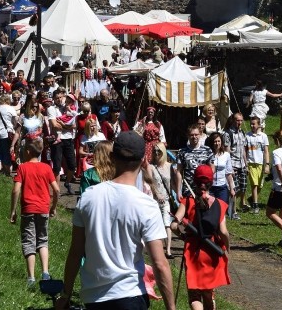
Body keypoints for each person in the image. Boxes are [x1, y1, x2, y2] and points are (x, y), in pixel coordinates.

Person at [57, 131, 176, 309]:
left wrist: (66, 294)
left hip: (94, 298)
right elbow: (160, 263)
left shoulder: (88, 197)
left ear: (112, 157)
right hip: (130, 295)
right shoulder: (147, 205)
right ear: (144, 159)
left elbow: (76, 251)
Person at [171, 164, 231, 310]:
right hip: (212, 250)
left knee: (194, 296)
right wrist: (227, 247)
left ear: (194, 180)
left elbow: (173, 225)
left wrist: (183, 236)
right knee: (208, 293)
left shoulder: (187, 201)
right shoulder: (220, 204)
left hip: (193, 252)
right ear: (211, 182)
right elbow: (223, 232)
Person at [10, 138, 58, 289]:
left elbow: (16, 189)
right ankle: (45, 273)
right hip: (43, 209)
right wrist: (54, 207)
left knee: (29, 242)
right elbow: (56, 189)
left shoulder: (23, 168)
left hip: (28, 210)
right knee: (43, 240)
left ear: (28, 151)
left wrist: (13, 210)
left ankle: (31, 278)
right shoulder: (46, 168)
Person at [149, 142, 174, 259]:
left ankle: (168, 249)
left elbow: (173, 183)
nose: (157, 153)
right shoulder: (151, 166)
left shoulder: (170, 166)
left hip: (167, 199)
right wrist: (156, 193)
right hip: (154, 200)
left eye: (159, 151)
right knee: (155, 225)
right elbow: (149, 182)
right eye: (154, 151)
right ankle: (157, 250)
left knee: (166, 224)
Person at [177, 124, 213, 200]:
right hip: (188, 189)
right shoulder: (182, 152)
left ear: (200, 135)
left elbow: (212, 169)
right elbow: (179, 172)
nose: (194, 137)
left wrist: (207, 186)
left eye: (196, 134)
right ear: (188, 136)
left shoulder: (207, 150)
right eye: (191, 135)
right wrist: (178, 191)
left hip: (203, 189)